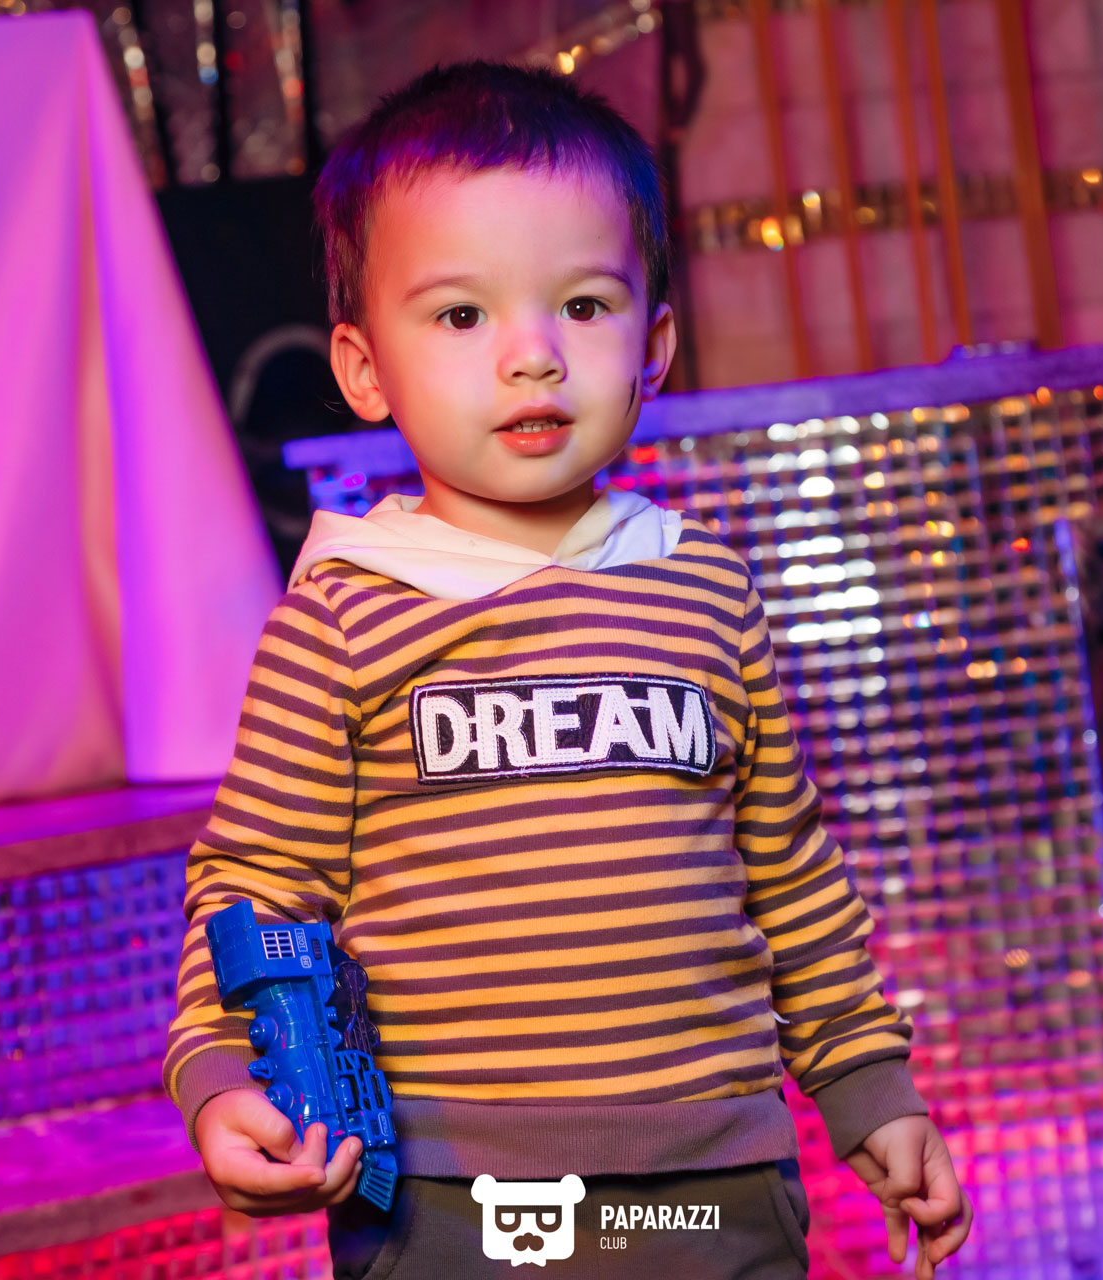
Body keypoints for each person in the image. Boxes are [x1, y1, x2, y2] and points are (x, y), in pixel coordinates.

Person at [163, 58, 972, 1280]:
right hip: (451, 1196)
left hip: (714, 1180)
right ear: (364, 368)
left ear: (655, 344)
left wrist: (870, 1084)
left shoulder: (705, 589)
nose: (533, 355)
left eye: (583, 306)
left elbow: (790, 869)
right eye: (462, 317)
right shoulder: (344, 613)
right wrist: (225, 1077)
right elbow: (258, 884)